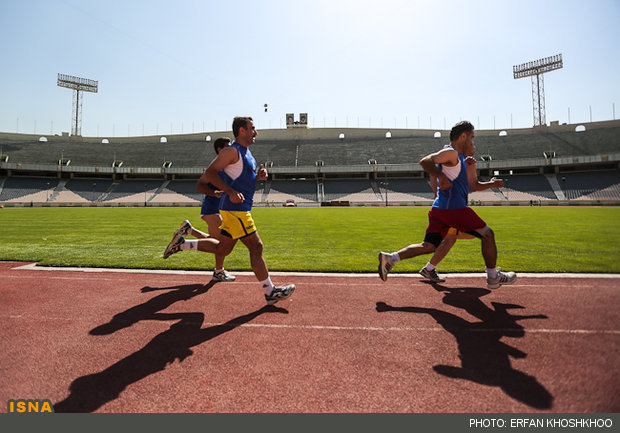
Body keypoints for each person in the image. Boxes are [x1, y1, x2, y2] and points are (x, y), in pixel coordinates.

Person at [164, 116, 295, 305]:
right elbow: (209, 173)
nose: (256, 132)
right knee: (256, 247)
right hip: (236, 210)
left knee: (222, 248)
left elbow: (240, 180)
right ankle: (270, 292)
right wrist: (229, 191)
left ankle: (182, 243)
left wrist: (257, 178)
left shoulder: (247, 153)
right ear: (242, 131)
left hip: (236, 208)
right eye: (253, 128)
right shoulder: (232, 151)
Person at [378, 121, 516, 289]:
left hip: (440, 210)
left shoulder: (462, 160)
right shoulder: (451, 153)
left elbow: (473, 186)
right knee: (487, 235)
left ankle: (390, 258)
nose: (473, 143)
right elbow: (425, 161)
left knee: (429, 246)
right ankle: (493, 277)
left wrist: (491, 184)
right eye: (471, 138)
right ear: (463, 136)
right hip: (454, 209)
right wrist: (440, 178)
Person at [419, 156, 503, 283]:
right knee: (479, 234)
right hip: (451, 210)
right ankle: (493, 275)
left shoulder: (451, 165)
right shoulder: (449, 165)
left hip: (450, 209)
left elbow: (472, 184)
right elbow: (473, 185)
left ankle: (428, 268)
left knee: (452, 237)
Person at [164, 137, 235, 282]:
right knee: (221, 245)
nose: (231, 150)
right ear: (220, 150)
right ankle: (217, 270)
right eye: (228, 147)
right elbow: (200, 185)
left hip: (216, 209)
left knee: (216, 243)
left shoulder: (226, 167)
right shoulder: (216, 166)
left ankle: (189, 230)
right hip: (212, 209)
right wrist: (215, 193)